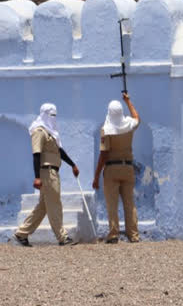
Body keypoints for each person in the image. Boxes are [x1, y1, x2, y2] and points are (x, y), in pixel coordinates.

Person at [14, 103, 79, 247]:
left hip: (53, 171)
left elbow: (60, 151)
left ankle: (21, 234)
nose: (54, 118)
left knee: (43, 206)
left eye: (55, 115)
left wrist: (72, 164)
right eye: (51, 115)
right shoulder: (39, 131)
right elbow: (36, 154)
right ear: (44, 114)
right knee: (55, 203)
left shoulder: (51, 133)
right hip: (47, 172)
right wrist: (37, 177)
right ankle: (62, 237)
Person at [92, 92, 140, 244]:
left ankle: (113, 234)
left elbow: (104, 154)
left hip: (112, 169)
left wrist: (96, 175)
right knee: (129, 203)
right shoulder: (128, 125)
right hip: (128, 168)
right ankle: (133, 235)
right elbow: (137, 118)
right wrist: (128, 101)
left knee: (112, 204)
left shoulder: (106, 129)